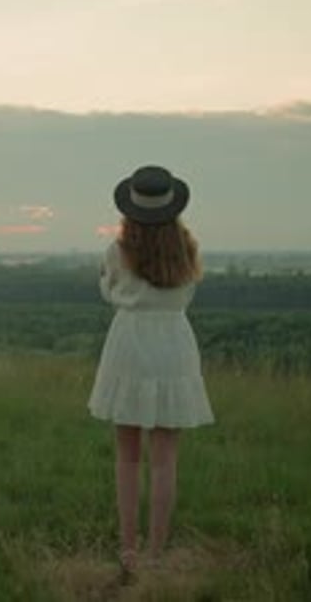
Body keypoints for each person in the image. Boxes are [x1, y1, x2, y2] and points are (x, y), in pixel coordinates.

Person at [88, 165, 214, 580]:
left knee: (127, 456)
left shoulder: (117, 251)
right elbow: (187, 293)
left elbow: (110, 292)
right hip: (174, 344)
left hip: (129, 344)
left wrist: (110, 286)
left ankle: (129, 550)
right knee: (165, 459)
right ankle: (157, 554)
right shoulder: (188, 250)